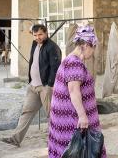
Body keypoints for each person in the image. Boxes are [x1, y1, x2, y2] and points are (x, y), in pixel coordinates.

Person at [47, 25, 106, 158]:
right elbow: (74, 91)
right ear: (85, 45)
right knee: (79, 152)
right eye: (94, 46)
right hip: (73, 119)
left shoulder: (70, 60)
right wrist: (83, 116)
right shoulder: (74, 63)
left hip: (67, 118)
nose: (94, 51)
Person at [1, 25, 61, 147]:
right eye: (35, 35)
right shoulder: (35, 43)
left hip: (45, 87)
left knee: (53, 114)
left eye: (40, 34)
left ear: (46, 33)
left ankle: (58, 140)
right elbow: (31, 31)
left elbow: (56, 68)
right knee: (26, 112)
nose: (37, 37)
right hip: (33, 86)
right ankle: (15, 139)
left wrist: (50, 85)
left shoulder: (52, 47)